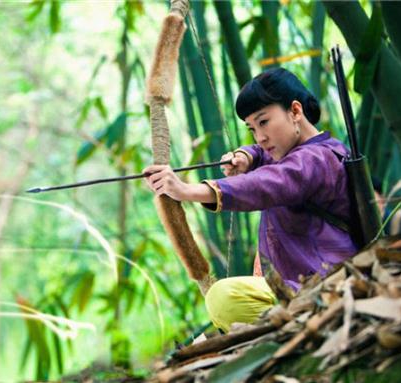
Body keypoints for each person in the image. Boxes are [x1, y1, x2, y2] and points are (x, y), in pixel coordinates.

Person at [143, 68, 357, 332]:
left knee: (223, 298)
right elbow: (265, 156)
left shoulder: (317, 158)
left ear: (295, 111)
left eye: (264, 122)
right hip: (305, 283)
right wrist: (246, 155)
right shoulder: (308, 150)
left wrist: (187, 191)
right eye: (252, 128)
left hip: (324, 286)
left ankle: (297, 322)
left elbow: (270, 182)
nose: (260, 137)